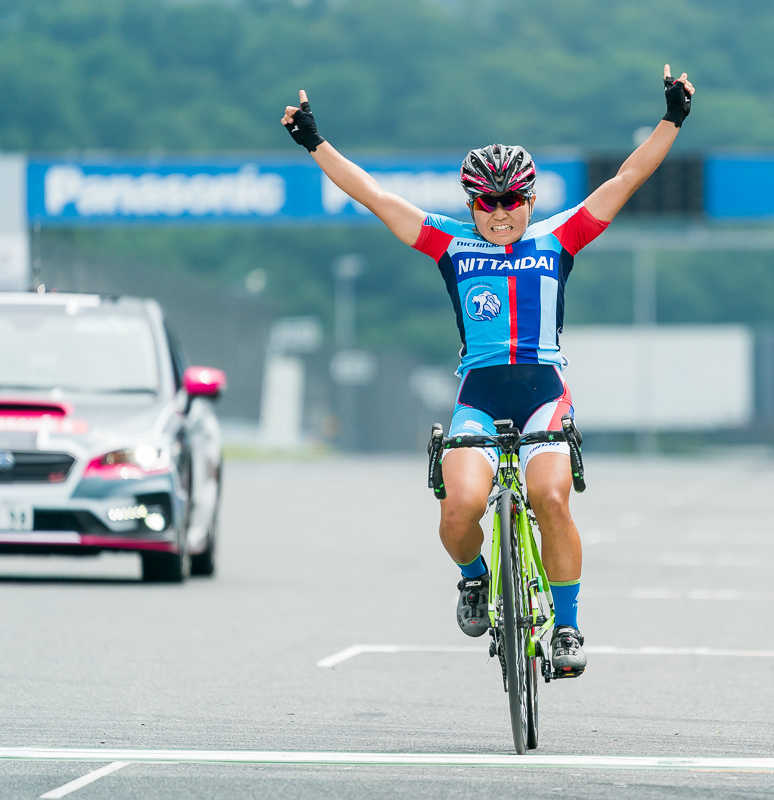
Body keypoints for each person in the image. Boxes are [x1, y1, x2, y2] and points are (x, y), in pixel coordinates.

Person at [282, 65, 695, 676]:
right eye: (488, 202)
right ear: (472, 203)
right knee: (458, 510)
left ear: (529, 200)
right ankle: (475, 580)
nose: (500, 213)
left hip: (543, 394)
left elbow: (628, 176)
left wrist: (674, 118)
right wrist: (314, 141)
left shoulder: (561, 238)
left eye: (512, 201)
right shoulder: (447, 243)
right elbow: (371, 194)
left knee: (549, 496)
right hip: (478, 396)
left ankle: (569, 625)